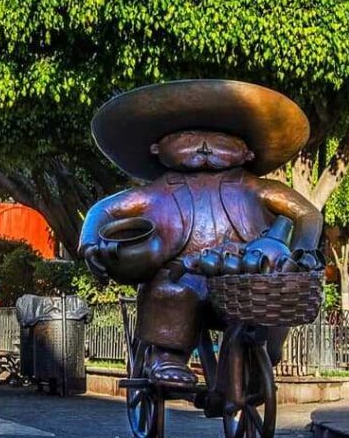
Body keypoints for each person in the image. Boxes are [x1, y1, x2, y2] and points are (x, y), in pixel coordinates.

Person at [79, 80, 322, 393]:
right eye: (188, 139)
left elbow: (307, 214)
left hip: (244, 277)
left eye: (221, 140)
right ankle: (168, 357)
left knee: (271, 299)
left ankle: (258, 359)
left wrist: (302, 251)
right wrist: (90, 243)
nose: (205, 146)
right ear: (157, 148)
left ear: (247, 152)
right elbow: (104, 210)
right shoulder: (156, 192)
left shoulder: (256, 188)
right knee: (171, 289)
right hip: (185, 272)